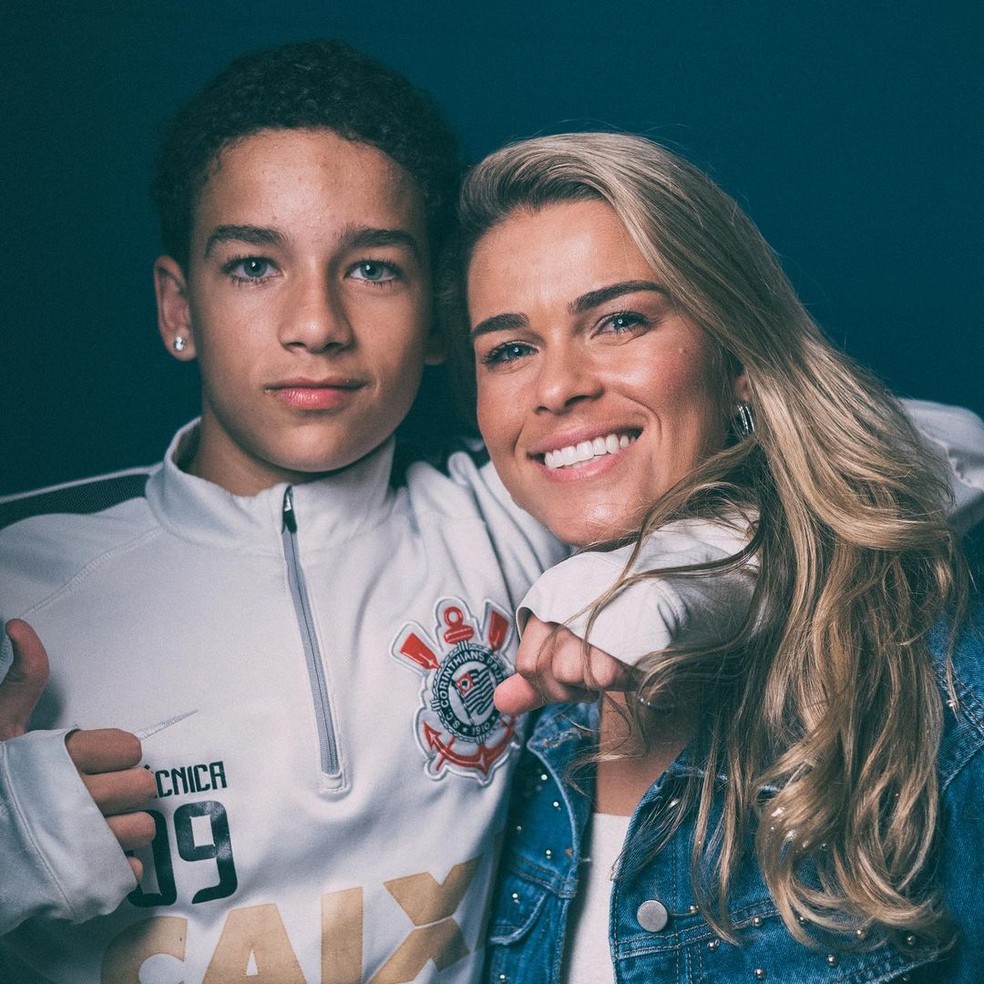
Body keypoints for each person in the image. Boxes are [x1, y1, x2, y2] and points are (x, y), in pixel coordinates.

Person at [0, 43, 767, 982]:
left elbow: (920, 455)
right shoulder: (25, 592)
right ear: (178, 306)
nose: (316, 323)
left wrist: (682, 567)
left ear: (441, 318)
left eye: (372, 269)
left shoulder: (516, 517)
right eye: (252, 265)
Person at [441, 132, 984, 982]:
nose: (556, 388)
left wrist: (699, 562)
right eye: (510, 349)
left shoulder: (939, 694)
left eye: (618, 321)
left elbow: (953, 450)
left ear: (734, 354)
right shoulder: (492, 703)